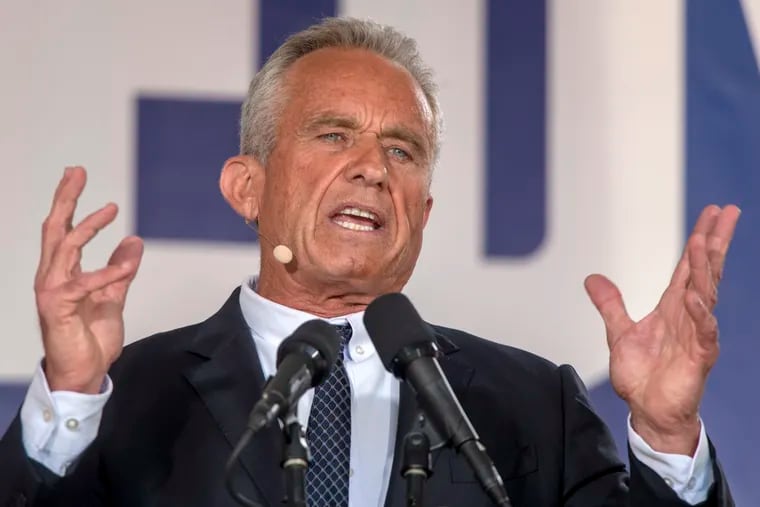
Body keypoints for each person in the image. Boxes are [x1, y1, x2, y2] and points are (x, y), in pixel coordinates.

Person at [0, 17, 739, 507]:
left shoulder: (528, 405)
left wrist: (670, 437)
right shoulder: (134, 393)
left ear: (423, 209)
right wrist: (67, 396)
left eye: (401, 150)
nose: (371, 169)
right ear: (246, 186)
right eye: (332, 134)